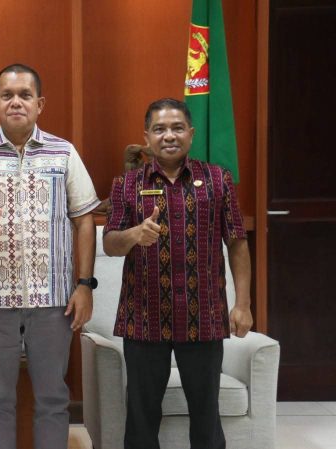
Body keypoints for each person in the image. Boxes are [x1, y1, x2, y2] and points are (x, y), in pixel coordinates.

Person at [0, 64, 100, 449]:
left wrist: (84, 286)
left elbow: (85, 219)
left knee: (53, 398)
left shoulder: (63, 152)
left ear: (39, 103)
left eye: (25, 95)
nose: (16, 102)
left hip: (54, 302)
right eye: (7, 95)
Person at [102, 98, 253, 449]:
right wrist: (133, 235)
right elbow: (110, 244)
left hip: (204, 317)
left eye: (177, 128)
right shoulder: (126, 184)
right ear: (147, 136)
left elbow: (237, 241)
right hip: (143, 318)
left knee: (206, 416)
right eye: (159, 129)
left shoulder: (218, 179)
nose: (168, 136)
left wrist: (242, 303)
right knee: (141, 419)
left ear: (191, 133)